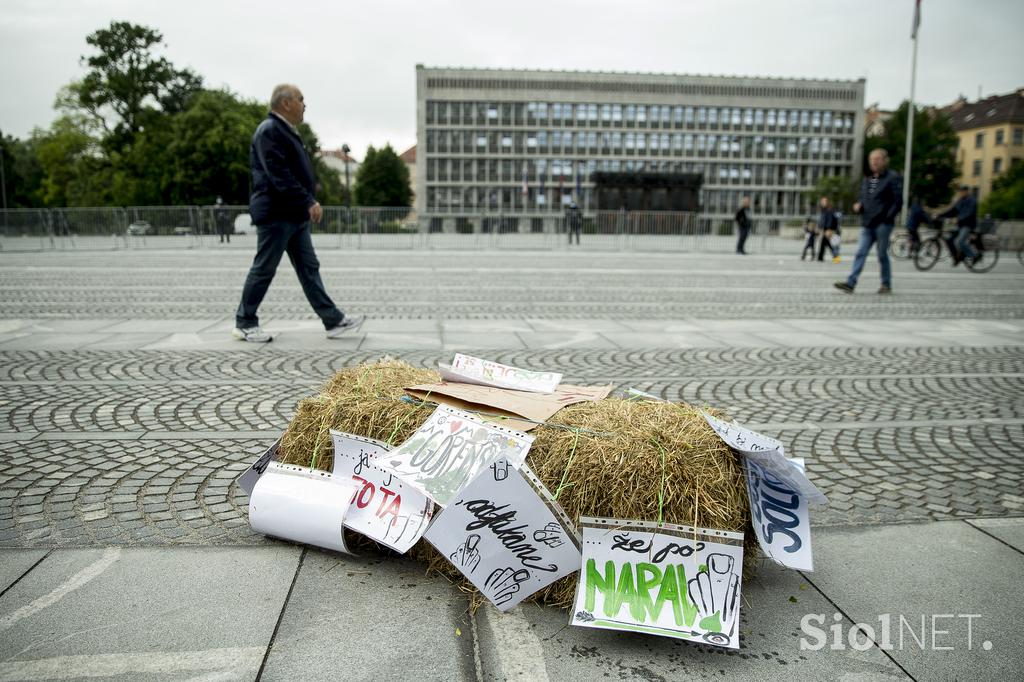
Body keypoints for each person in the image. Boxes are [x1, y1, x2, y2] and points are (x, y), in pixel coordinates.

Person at [233, 84, 363, 343]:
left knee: (308, 268)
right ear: (286, 103)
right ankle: (244, 322)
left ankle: (333, 320)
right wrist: (308, 201)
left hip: (292, 214)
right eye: (301, 99)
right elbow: (279, 175)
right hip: (277, 213)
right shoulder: (270, 131)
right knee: (264, 267)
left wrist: (306, 201)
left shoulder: (284, 131)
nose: (305, 105)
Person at [834, 148, 902, 295]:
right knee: (860, 252)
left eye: (877, 159)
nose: (874, 162)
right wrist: (859, 205)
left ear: (885, 161)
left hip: (883, 224)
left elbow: (897, 202)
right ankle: (851, 283)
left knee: (882, 254)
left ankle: (886, 284)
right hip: (867, 222)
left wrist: (887, 218)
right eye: (872, 159)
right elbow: (864, 197)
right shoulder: (868, 179)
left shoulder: (892, 178)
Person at [936, 186, 978, 266]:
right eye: (959, 191)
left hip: (968, 225)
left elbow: (969, 213)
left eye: (962, 191)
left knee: (959, 241)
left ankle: (974, 256)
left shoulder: (972, 200)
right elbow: (952, 211)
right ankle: (956, 257)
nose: (960, 193)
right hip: (961, 225)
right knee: (949, 240)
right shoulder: (960, 201)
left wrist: (958, 219)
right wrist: (940, 215)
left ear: (966, 191)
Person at [816, 196, 841, 263]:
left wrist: (829, 229)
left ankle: (835, 257)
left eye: (824, 201)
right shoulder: (823, 210)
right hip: (825, 229)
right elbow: (822, 220)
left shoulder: (829, 209)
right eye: (822, 201)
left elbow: (830, 220)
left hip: (829, 229)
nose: (822, 203)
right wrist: (820, 227)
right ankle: (820, 257)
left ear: (827, 202)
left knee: (831, 244)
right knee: (824, 243)